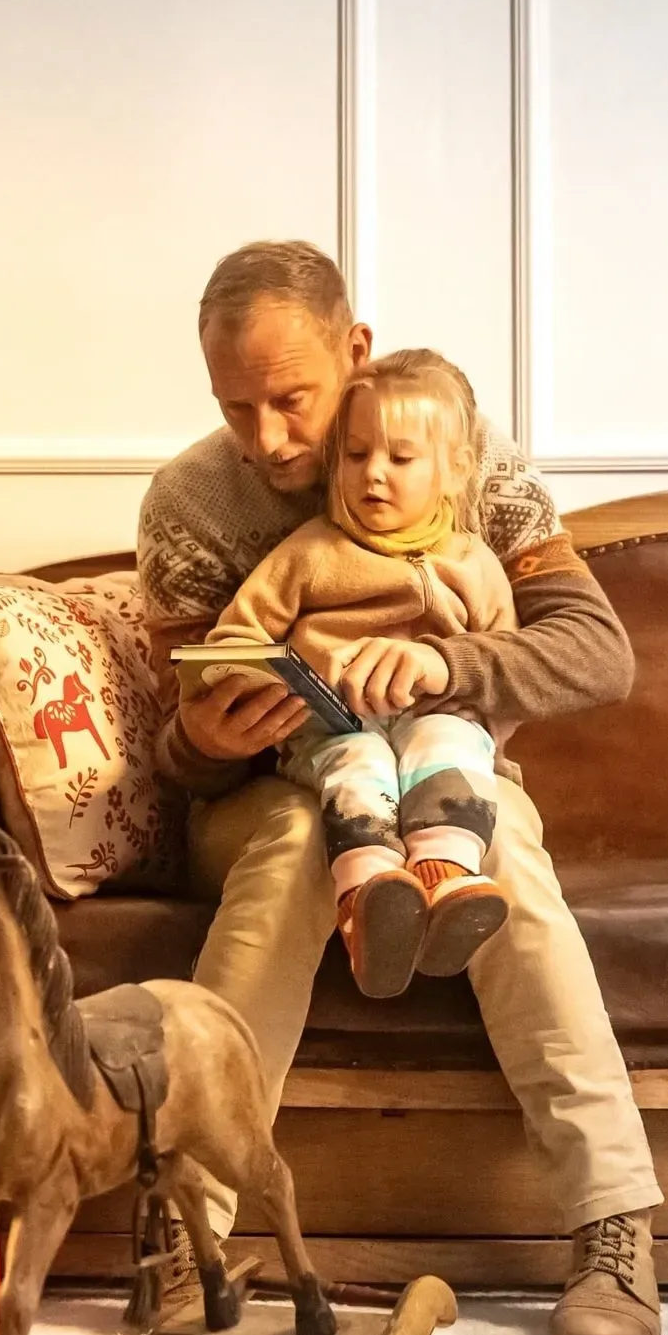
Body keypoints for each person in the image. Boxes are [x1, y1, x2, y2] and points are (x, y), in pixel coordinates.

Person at [137, 240, 663, 1335]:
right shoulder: (189, 502)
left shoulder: (457, 455)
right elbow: (177, 749)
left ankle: (612, 1230)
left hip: (439, 770)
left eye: (292, 400)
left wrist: (444, 670)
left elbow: (596, 652)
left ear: (355, 350)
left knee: (499, 843)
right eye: (238, 409)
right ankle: (188, 1232)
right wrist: (199, 740)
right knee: (293, 838)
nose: (268, 440)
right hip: (271, 795)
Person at [203, 349, 515, 999]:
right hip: (333, 726)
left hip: (437, 721)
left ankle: (447, 881)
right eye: (355, 455)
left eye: (401, 459)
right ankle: (370, 900)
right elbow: (233, 639)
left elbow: (505, 667)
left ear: (453, 472)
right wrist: (286, 678)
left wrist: (474, 719)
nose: (374, 475)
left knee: (447, 744)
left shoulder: (471, 562)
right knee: (362, 757)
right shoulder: (309, 553)